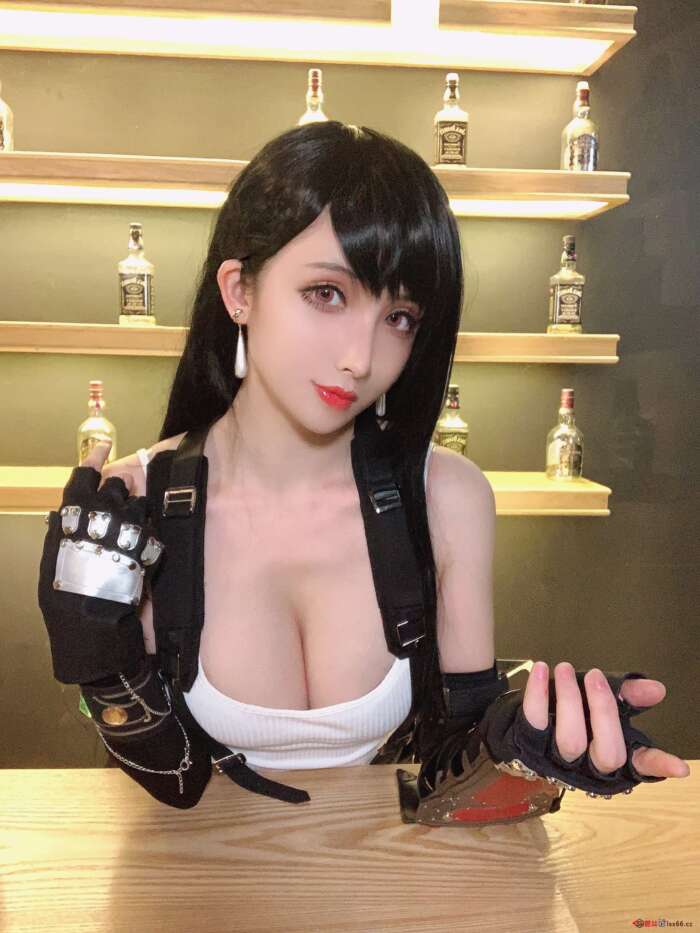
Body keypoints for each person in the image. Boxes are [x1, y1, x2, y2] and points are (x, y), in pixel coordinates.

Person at [38, 121, 689, 821]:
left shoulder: (446, 497)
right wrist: (102, 669)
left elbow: (451, 767)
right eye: (327, 293)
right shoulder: (133, 507)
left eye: (400, 316)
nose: (361, 357)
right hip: (196, 876)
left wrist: (520, 749)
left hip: (382, 872)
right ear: (239, 291)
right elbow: (176, 784)